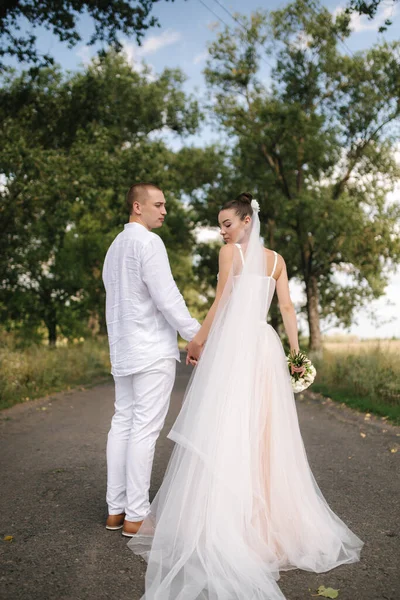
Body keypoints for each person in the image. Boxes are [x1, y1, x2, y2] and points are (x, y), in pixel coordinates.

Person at [128, 192, 363, 599]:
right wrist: (294, 352)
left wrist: (196, 340)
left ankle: (234, 523)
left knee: (230, 427)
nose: (222, 232)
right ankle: (265, 525)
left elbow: (222, 301)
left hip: (236, 346)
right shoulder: (276, 261)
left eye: (228, 225)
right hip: (264, 344)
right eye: (220, 226)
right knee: (262, 431)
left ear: (246, 222)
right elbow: (287, 309)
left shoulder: (231, 257)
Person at [102, 182, 201, 538]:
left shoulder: (114, 248)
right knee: (143, 430)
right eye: (158, 205)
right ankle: (137, 515)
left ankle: (116, 510)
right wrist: (197, 335)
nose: (164, 211)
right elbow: (167, 297)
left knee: (123, 424)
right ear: (137, 207)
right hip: (152, 351)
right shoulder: (148, 243)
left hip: (123, 350)